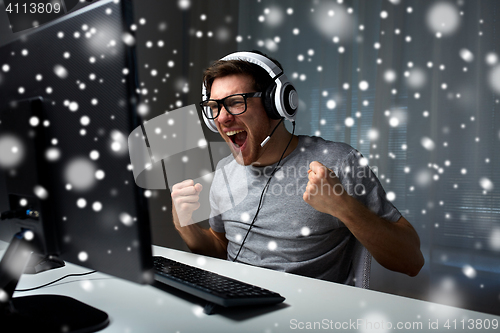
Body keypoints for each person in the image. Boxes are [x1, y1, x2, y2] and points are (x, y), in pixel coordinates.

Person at [171, 51, 424, 285]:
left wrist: (344, 207)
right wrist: (185, 225)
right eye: (214, 108)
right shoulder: (225, 170)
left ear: (277, 104)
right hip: (234, 306)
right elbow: (219, 247)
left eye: (236, 102)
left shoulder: (339, 161)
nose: (223, 118)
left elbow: (411, 261)